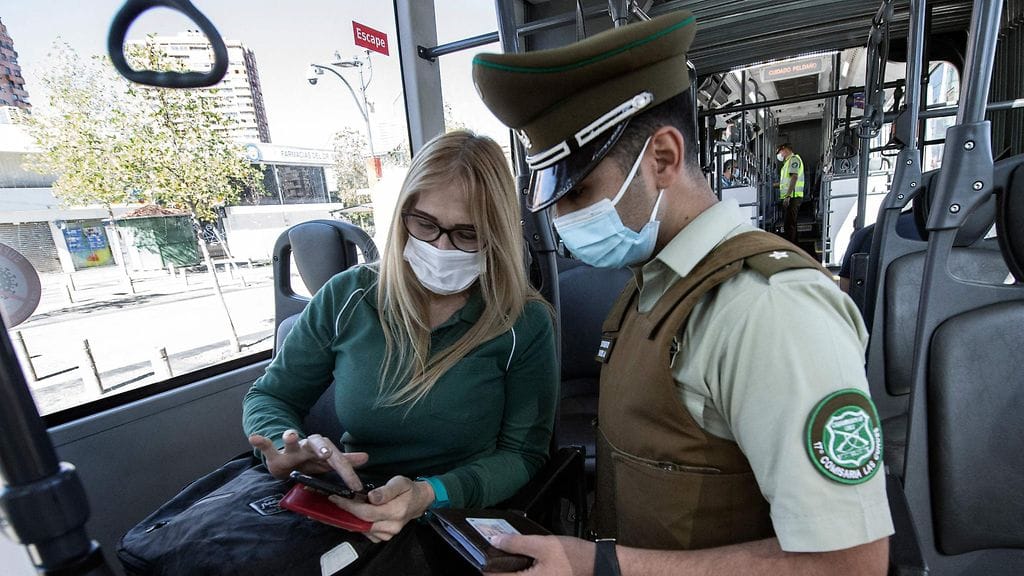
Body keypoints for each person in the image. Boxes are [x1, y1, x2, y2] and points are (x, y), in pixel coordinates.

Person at [472, 11, 892, 576]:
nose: (562, 219)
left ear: (664, 158)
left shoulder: (768, 310)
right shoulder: (652, 285)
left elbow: (850, 562)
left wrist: (597, 567)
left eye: (579, 192)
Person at [243, 131, 558, 574]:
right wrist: (284, 446)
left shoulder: (522, 321)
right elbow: (270, 397)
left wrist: (429, 493)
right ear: (402, 216)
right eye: (425, 224)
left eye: (468, 233)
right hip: (350, 508)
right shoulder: (348, 297)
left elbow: (523, 454)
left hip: (457, 512)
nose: (440, 248)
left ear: (497, 235)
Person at [777, 142, 805, 243]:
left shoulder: (794, 160)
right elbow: (786, 181)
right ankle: (793, 245)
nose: (779, 155)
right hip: (791, 197)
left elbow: (794, 177)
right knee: (790, 224)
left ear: (785, 149)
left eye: (779, 152)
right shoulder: (787, 162)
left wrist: (788, 196)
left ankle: (792, 247)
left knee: (789, 225)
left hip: (793, 197)